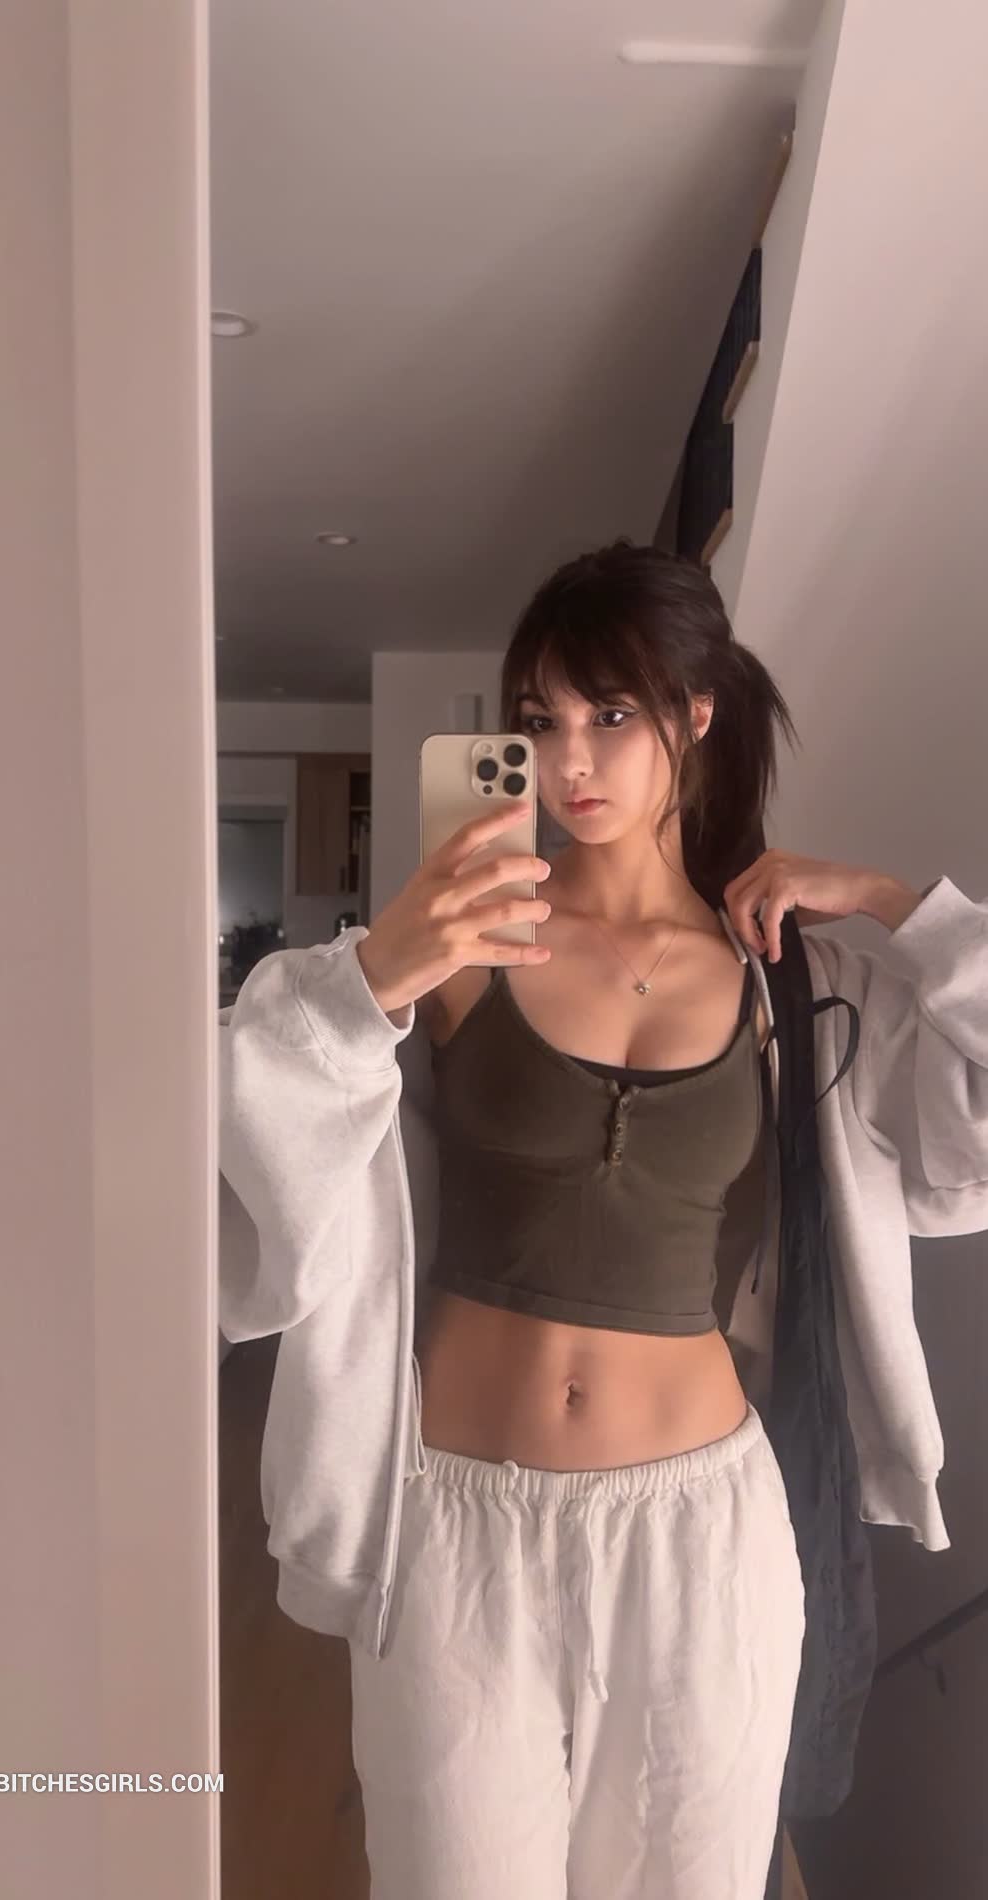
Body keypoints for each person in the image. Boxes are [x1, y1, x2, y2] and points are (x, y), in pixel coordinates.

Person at [218, 541, 988, 1900]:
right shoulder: (461, 948)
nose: (570, 760)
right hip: (455, 1527)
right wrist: (374, 976)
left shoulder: (788, 984)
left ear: (697, 714)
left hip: (699, 1535)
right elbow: (248, 1119)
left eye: (612, 713)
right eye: (542, 720)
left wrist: (888, 903)